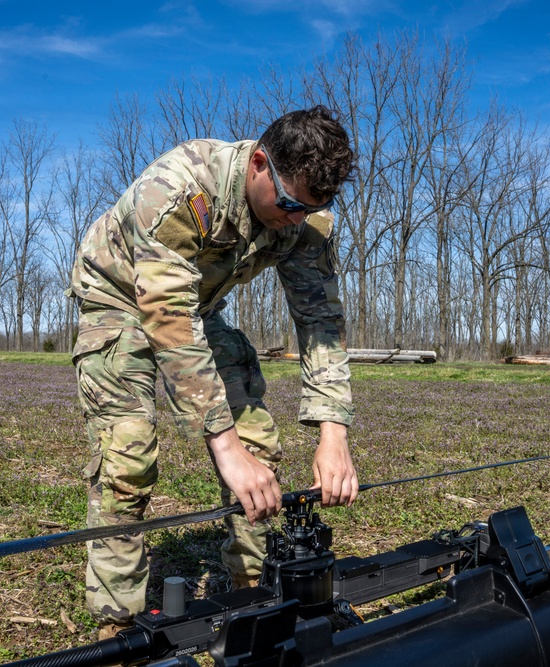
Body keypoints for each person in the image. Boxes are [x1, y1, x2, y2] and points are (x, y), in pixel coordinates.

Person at [69, 105, 360, 639]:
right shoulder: (179, 190)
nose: (297, 219)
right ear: (257, 165)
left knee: (260, 443)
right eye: (290, 203)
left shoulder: (308, 218)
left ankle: (254, 590)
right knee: (128, 453)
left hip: (195, 310)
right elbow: (165, 317)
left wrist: (333, 433)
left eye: (311, 208)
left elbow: (320, 319)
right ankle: (116, 621)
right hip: (119, 301)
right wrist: (223, 450)